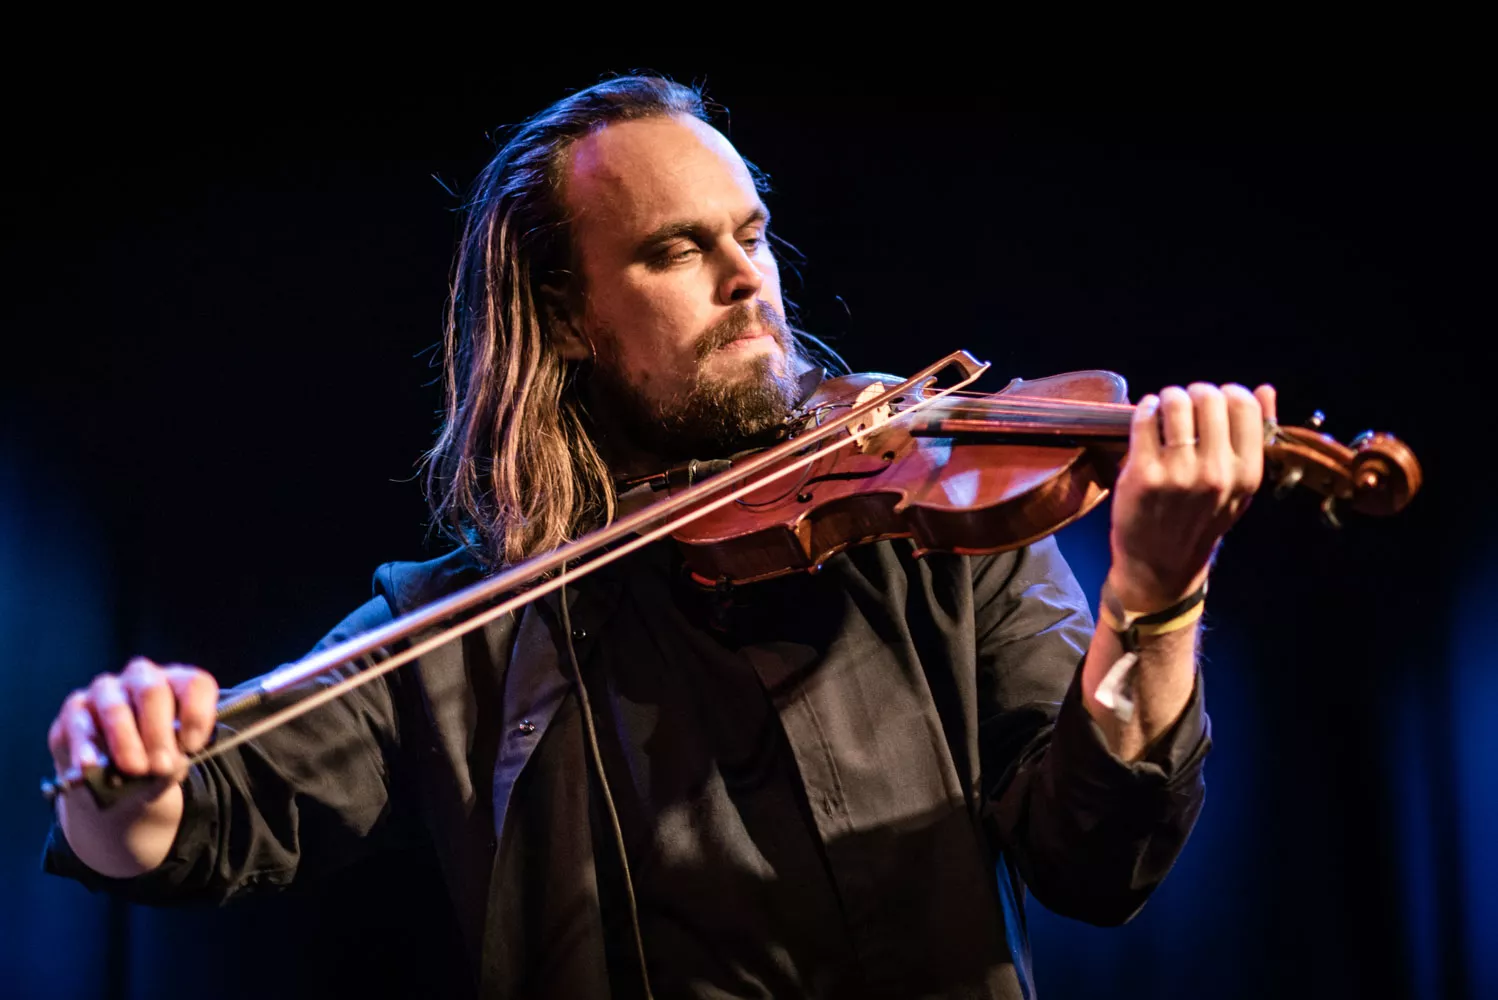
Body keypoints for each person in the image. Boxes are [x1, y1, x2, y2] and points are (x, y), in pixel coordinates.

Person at [43, 77, 1276, 999]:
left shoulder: (930, 512)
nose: (747, 278)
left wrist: (1153, 601)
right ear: (567, 318)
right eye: (676, 249)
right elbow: (199, 819)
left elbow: (1095, 863)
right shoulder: (471, 618)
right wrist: (126, 778)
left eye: (750, 233)